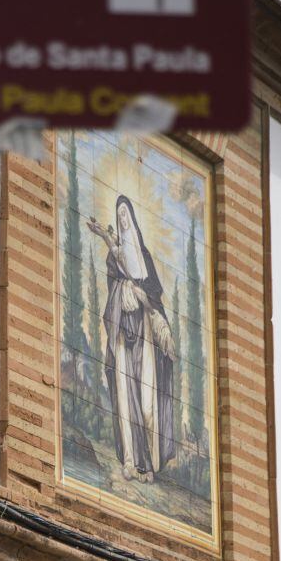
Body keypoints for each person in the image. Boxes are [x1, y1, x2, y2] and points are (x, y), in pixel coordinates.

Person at [88, 196, 176, 483]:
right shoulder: (115, 259)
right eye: (119, 214)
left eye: (126, 214)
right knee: (126, 402)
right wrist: (124, 290)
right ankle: (130, 461)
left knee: (148, 402)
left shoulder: (144, 257)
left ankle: (148, 464)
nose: (122, 219)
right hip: (124, 340)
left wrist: (147, 305)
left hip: (146, 340)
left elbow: (154, 299)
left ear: (133, 219)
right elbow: (115, 269)